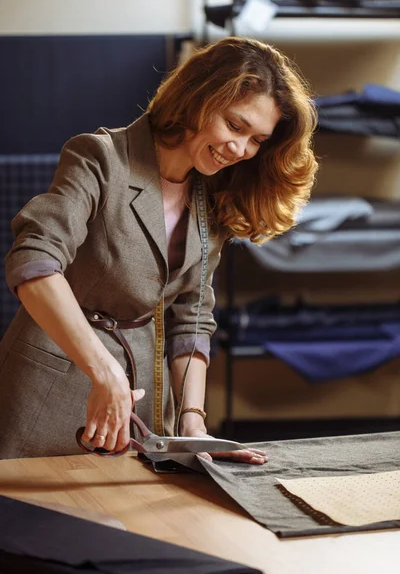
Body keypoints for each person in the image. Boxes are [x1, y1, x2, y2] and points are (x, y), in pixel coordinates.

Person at [0, 36, 317, 460]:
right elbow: (34, 263)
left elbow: (193, 317)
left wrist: (193, 422)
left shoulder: (215, 194)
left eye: (257, 139)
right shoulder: (100, 158)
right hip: (52, 384)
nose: (240, 150)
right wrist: (106, 373)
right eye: (235, 126)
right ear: (196, 100)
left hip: (146, 404)